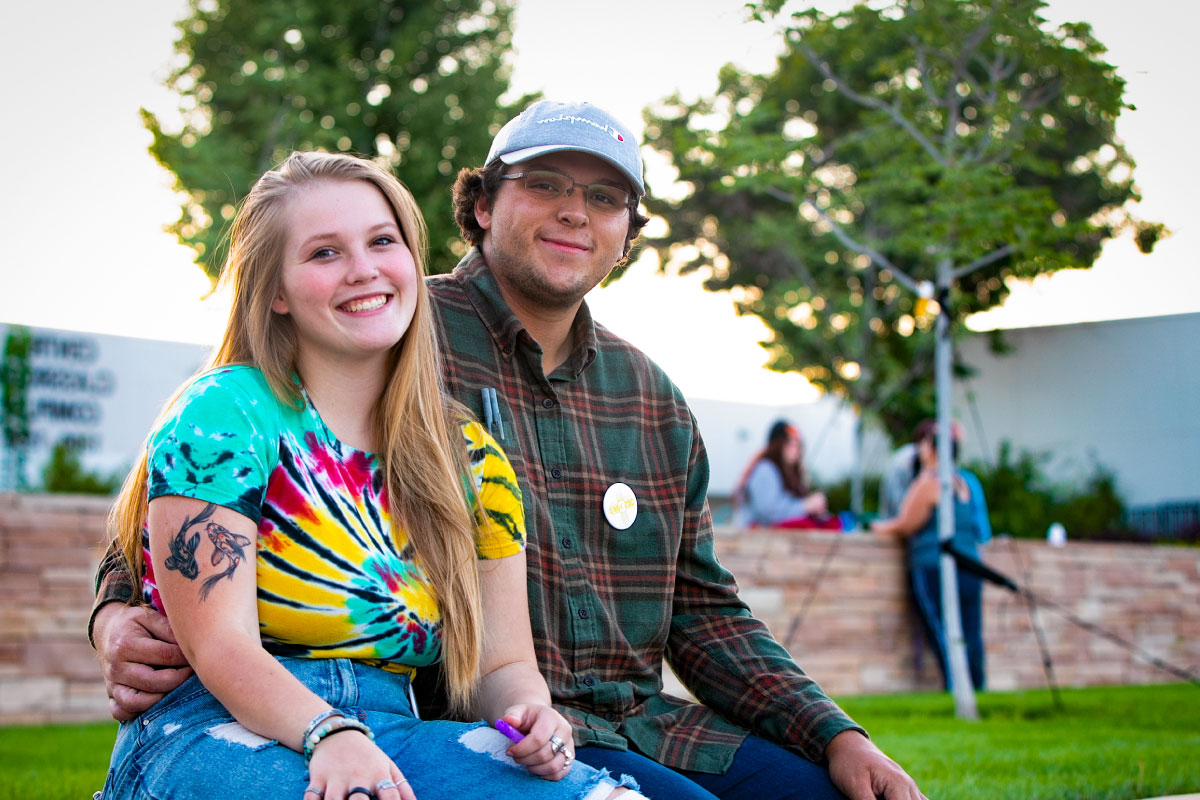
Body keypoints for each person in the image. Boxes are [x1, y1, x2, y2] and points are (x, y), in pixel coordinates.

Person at [92, 101, 927, 800]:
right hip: (377, 721)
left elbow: (702, 610)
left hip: (604, 724)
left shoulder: (639, 401)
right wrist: (111, 614)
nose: (575, 210)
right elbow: (180, 529)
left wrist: (832, 733)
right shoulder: (376, 339)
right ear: (483, 204)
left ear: (628, 231)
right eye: (547, 184)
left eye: (604, 197)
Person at [96, 151, 643, 800]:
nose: (364, 269)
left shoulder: (471, 458)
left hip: (394, 729)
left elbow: (502, 663)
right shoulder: (224, 415)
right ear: (274, 291)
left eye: (383, 241)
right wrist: (327, 732)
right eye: (324, 253)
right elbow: (220, 647)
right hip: (208, 729)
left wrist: (529, 711)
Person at [870, 420, 990, 691]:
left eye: (924, 444)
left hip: (935, 566)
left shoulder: (930, 482)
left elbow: (905, 523)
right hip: (970, 565)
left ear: (933, 450)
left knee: (942, 631)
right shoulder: (963, 482)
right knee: (971, 632)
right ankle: (978, 686)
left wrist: (876, 526)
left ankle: (957, 686)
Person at [734, 420, 836, 529]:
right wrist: (806, 506)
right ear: (778, 444)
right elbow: (770, 511)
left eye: (798, 443)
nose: (795, 448)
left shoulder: (790, 472)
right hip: (758, 541)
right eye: (790, 443)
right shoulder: (765, 469)